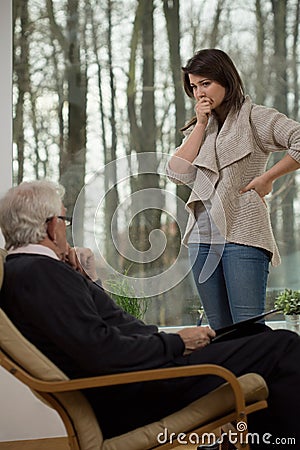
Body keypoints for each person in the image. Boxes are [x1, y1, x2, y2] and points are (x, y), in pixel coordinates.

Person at [0, 180, 299, 449]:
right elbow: (101, 351)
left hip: (139, 377)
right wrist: (179, 344)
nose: (66, 227)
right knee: (284, 346)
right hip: (144, 389)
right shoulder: (42, 274)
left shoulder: (31, 272)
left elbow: (98, 331)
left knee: (256, 333)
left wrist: (88, 280)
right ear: (52, 227)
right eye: (65, 220)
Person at [167, 48, 300, 330]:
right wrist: (201, 124)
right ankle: (230, 376)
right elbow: (175, 173)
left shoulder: (256, 118)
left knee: (247, 327)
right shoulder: (201, 128)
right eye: (193, 86)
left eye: (206, 83)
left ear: (226, 80)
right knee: (220, 330)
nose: (199, 92)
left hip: (243, 233)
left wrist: (269, 178)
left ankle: (259, 376)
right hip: (202, 240)